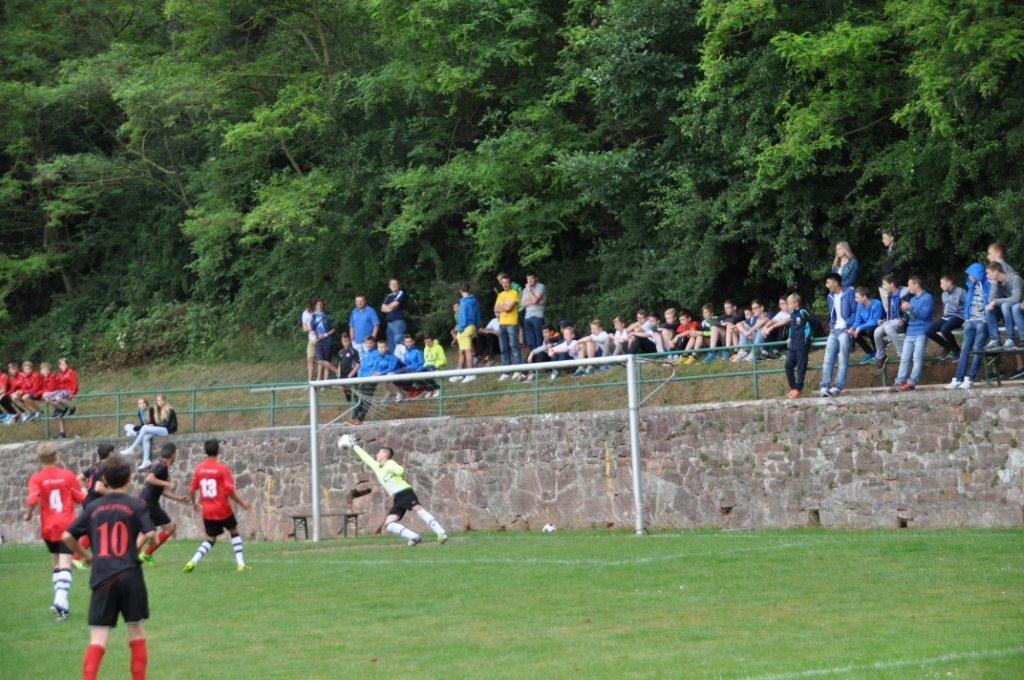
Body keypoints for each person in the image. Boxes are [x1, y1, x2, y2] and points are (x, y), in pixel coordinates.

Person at [63, 453, 155, 680]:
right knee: (136, 631)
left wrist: (86, 555)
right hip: (130, 575)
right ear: (130, 478)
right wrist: (137, 545)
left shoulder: (93, 507)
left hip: (102, 576)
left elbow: (67, 536)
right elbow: (151, 534)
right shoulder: (137, 504)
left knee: (98, 638)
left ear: (104, 479)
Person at [339, 435, 447, 545]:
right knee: (389, 524)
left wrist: (391, 471)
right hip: (397, 498)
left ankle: (441, 532)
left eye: (379, 453)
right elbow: (366, 457)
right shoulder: (377, 467)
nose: (377, 454)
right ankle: (414, 537)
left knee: (418, 509)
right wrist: (354, 446)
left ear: (384, 455)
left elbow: (400, 471)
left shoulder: (389, 463)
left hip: (404, 492)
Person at [25, 442, 86, 620]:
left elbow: (32, 499)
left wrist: (29, 514)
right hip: (67, 525)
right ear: (57, 456)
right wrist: (84, 491)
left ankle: (59, 603)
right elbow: (80, 498)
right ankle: (61, 602)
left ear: (39, 459)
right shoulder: (67, 475)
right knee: (66, 564)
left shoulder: (36, 478)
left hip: (48, 527)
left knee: (57, 564)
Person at [183, 439, 251, 573]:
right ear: (218, 451)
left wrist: (194, 503)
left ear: (205, 451)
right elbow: (229, 490)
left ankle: (193, 561)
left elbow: (191, 489)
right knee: (233, 531)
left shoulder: (199, 468)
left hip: (207, 511)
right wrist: (242, 503)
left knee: (210, 538)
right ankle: (241, 564)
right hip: (222, 508)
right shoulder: (222, 468)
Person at [139, 444, 192, 565]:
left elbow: (162, 491)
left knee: (146, 533)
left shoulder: (162, 466)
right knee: (169, 528)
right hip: (149, 504)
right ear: (173, 455)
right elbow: (149, 479)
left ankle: (141, 556)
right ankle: (145, 554)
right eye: (175, 454)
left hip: (147, 502)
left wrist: (179, 498)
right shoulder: (162, 466)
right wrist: (168, 484)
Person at [947, 263, 991, 390]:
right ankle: (958, 378)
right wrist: (966, 318)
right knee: (964, 349)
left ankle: (970, 378)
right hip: (970, 321)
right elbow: (967, 304)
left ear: (977, 274)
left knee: (977, 349)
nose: (969, 277)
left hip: (983, 321)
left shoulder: (988, 285)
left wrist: (985, 318)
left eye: (971, 275)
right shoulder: (971, 286)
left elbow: (990, 303)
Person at [72, 443, 116, 569]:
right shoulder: (105, 468)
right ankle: (77, 557)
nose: (115, 455)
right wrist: (115, 494)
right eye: (113, 452)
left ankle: (79, 557)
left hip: (90, 501)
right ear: (110, 454)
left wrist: (83, 489)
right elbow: (99, 488)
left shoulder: (95, 466)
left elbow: (79, 478)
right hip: (95, 503)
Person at [891, 275, 935, 392]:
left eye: (909, 284)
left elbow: (925, 315)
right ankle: (899, 381)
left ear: (916, 285)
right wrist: (906, 312)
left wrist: (911, 308)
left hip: (922, 331)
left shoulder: (927, 297)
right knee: (904, 357)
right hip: (910, 331)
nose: (908, 287)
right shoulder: (913, 299)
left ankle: (911, 382)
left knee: (917, 358)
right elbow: (913, 317)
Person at [819, 274, 856, 398]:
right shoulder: (830, 296)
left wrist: (848, 325)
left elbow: (855, 311)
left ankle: (838, 386)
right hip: (834, 331)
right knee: (828, 359)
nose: (826, 285)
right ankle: (824, 386)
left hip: (845, 330)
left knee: (843, 359)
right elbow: (832, 314)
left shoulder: (849, 292)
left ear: (835, 282)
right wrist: (832, 326)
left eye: (828, 282)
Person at [122, 394, 177, 471]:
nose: (160, 402)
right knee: (146, 437)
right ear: (156, 402)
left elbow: (172, 425)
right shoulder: (156, 410)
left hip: (167, 430)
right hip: (160, 429)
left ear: (164, 401)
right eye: (159, 400)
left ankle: (132, 448)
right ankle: (146, 461)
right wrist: (153, 425)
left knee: (144, 427)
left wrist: (155, 426)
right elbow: (157, 423)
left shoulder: (170, 410)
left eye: (162, 400)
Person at [983, 263, 1023, 350]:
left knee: (1005, 305)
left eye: (988, 273)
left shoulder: (1015, 279)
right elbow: (991, 301)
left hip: (1019, 310)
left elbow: (1017, 299)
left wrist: (996, 302)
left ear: (996, 272)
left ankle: (1010, 339)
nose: (987, 276)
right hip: (1008, 311)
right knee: (988, 309)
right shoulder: (998, 283)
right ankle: (995, 340)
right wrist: (994, 284)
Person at [927, 275, 966, 360]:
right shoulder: (943, 294)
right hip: (946, 317)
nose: (940, 285)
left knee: (945, 329)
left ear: (949, 283)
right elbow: (945, 308)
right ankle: (947, 346)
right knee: (928, 331)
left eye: (942, 283)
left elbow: (968, 305)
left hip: (959, 316)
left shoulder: (961, 291)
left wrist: (968, 319)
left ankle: (957, 351)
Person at [874, 275, 908, 368]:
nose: (882, 286)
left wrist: (904, 319)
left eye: (884, 284)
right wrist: (885, 320)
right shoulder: (889, 296)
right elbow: (891, 313)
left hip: (901, 320)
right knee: (877, 331)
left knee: (888, 327)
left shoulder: (904, 294)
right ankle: (881, 356)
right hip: (892, 321)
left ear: (892, 284)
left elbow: (908, 310)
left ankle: (902, 353)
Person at [494, 274, 523, 380]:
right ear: (501, 284)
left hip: (511, 323)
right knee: (503, 348)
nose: (505, 284)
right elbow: (495, 309)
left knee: (514, 346)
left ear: (510, 283)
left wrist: (502, 307)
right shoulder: (500, 295)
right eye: (503, 283)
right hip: (501, 323)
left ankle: (518, 369)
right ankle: (506, 371)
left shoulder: (514, 293)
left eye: (507, 282)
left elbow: (508, 308)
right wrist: (504, 307)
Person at [784, 294, 813, 398]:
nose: (788, 305)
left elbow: (812, 322)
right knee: (788, 365)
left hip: (802, 345)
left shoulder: (803, 312)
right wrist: (790, 337)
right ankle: (793, 388)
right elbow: (793, 328)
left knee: (801, 367)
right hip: (793, 345)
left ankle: (798, 389)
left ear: (796, 303)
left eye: (789, 303)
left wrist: (809, 336)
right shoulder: (792, 315)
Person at [452, 283, 481, 381]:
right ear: (469, 289)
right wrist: (477, 327)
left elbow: (463, 318)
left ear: (460, 290)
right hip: (472, 326)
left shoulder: (463, 302)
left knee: (468, 352)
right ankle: (460, 373)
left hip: (465, 328)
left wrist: (460, 329)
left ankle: (471, 374)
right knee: (462, 351)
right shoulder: (474, 301)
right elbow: (478, 314)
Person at [848, 287, 884, 365]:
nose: (855, 299)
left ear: (864, 297)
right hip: (867, 327)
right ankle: (870, 353)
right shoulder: (859, 306)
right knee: (854, 334)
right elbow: (858, 320)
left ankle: (878, 354)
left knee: (870, 330)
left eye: (857, 297)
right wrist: (853, 328)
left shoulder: (877, 303)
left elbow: (875, 321)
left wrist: (860, 327)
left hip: (879, 327)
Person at [310, 297, 338, 381]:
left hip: (327, 340)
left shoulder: (328, 316)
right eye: (318, 304)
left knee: (327, 360)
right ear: (316, 306)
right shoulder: (314, 316)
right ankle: (336, 371)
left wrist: (325, 335)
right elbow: (312, 328)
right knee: (319, 360)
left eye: (321, 304)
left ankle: (325, 381)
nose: (319, 306)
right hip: (319, 340)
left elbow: (334, 329)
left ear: (323, 305)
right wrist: (315, 335)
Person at [51, 357, 79, 438]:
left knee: (58, 400)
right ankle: (62, 432)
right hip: (60, 393)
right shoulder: (59, 374)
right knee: (58, 409)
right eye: (62, 364)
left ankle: (72, 407)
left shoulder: (71, 372)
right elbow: (57, 385)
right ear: (59, 366)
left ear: (68, 365)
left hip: (68, 392)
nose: (64, 366)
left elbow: (75, 384)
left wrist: (71, 394)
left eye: (65, 364)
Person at [520, 273, 547, 351]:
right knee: (530, 341)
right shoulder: (525, 290)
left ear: (535, 278)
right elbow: (523, 304)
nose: (529, 281)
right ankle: (533, 356)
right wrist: (537, 301)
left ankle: (541, 357)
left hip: (538, 316)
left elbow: (535, 300)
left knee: (539, 340)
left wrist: (530, 290)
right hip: (527, 317)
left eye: (531, 278)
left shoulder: (540, 286)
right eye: (528, 279)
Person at [381, 278, 408, 351]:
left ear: (398, 285)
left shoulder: (401, 293)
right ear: (389, 286)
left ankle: (401, 359)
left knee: (399, 345)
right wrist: (391, 307)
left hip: (398, 323)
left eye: (395, 284)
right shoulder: (389, 296)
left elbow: (395, 304)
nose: (394, 286)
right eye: (392, 284)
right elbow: (382, 309)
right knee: (390, 346)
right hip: (389, 324)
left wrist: (389, 306)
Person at [878, 231, 897, 315]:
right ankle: (889, 318)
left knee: (896, 305)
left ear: (892, 238)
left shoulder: (898, 251)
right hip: (885, 282)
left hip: (894, 282)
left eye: (884, 238)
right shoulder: (885, 251)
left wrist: (894, 281)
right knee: (887, 306)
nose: (883, 241)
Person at [301, 296, 318, 382]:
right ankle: (310, 382)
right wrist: (312, 327)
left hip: (320, 339)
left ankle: (320, 381)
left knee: (320, 361)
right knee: (310, 359)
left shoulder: (318, 312)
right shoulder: (305, 313)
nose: (307, 309)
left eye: (308, 307)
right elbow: (304, 328)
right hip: (311, 340)